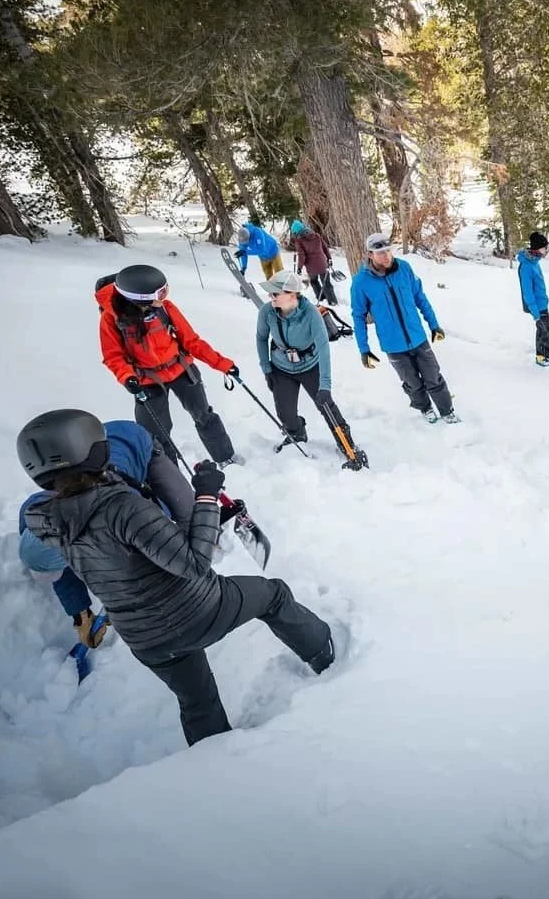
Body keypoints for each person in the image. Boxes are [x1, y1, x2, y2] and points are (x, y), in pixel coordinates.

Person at [18, 410, 335, 747]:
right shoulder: (124, 507)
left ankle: (215, 763)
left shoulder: (44, 522)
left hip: (147, 642)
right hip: (199, 611)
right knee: (274, 595)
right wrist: (207, 494)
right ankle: (324, 655)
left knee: (197, 700)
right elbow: (195, 563)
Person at [18, 419, 197, 649]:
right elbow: (59, 571)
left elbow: (160, 524)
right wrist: (79, 613)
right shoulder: (35, 517)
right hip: (81, 447)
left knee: (185, 509)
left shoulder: (126, 505)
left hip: (135, 441)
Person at [97, 264, 244, 468]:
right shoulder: (112, 319)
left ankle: (225, 457)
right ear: (140, 297)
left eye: (165, 289)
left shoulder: (165, 308)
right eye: (160, 292)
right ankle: (169, 474)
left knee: (204, 414)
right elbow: (113, 356)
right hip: (146, 380)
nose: (164, 296)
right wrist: (127, 377)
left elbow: (191, 341)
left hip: (181, 369)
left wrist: (223, 364)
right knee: (156, 432)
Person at [257, 271, 367, 470]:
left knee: (326, 406)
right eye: (270, 294)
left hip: (310, 366)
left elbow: (324, 348)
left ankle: (348, 446)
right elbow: (261, 338)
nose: (270, 297)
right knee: (285, 413)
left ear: (292, 295)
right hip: (281, 367)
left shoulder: (311, 314)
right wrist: (266, 369)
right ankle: (297, 433)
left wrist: (324, 386)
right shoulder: (267, 312)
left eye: (275, 294)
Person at [351, 232, 460, 424]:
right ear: (370, 254)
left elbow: (420, 298)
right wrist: (364, 349)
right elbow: (358, 316)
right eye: (380, 253)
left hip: (417, 337)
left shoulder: (404, 268)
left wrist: (434, 325)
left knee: (433, 377)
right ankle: (425, 408)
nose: (386, 256)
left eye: (388, 251)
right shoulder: (361, 282)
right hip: (392, 344)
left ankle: (447, 411)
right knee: (412, 383)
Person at [517, 232, 549, 367]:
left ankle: (542, 356)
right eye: (544, 248)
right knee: (548, 332)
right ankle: (542, 357)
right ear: (537, 248)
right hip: (536, 307)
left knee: (543, 331)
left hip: (542, 304)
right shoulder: (527, 266)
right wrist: (536, 315)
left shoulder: (535, 262)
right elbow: (527, 293)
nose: (545, 250)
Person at [290, 218, 337, 306]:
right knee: (326, 282)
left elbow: (302, 256)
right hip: (323, 263)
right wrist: (329, 258)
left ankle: (321, 298)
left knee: (314, 281)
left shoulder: (299, 241)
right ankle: (332, 301)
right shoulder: (316, 235)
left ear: (296, 232)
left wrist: (299, 267)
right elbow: (325, 248)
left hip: (311, 267)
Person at [237, 217, 283, 282]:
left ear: (249, 236)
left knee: (279, 274)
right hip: (263, 257)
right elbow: (243, 252)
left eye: (246, 241)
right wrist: (243, 268)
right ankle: (272, 291)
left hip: (273, 252)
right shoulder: (242, 237)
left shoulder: (258, 232)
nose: (245, 243)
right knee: (268, 276)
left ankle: (283, 290)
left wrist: (245, 252)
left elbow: (262, 250)